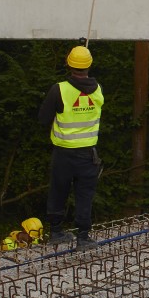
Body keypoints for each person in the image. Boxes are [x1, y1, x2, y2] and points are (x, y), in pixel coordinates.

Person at [38, 45, 104, 250]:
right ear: (89, 65)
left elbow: (43, 119)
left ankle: (56, 232)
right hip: (88, 155)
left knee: (59, 191)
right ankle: (83, 237)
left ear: (68, 64)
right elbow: (83, 91)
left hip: (63, 153)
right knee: (84, 194)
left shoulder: (59, 89)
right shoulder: (98, 90)